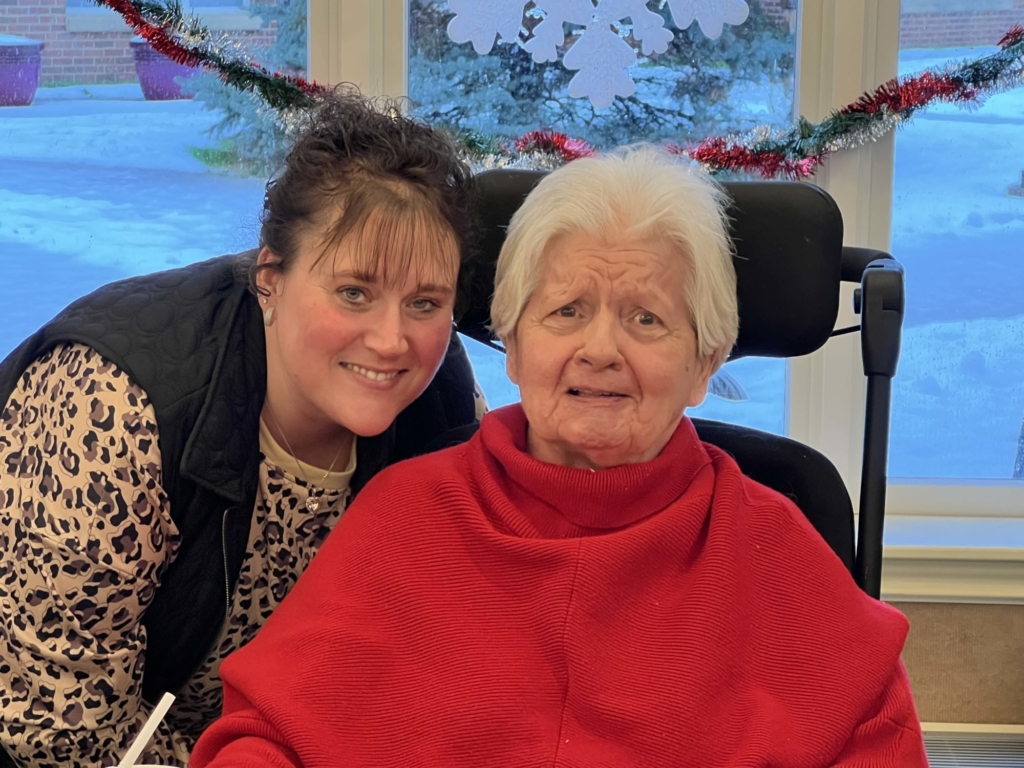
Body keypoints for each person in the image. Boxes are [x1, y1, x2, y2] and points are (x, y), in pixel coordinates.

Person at [192, 145, 929, 768]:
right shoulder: (405, 517)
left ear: (704, 363)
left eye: (646, 318)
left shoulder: (778, 548)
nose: (600, 349)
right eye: (566, 311)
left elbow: (877, 743)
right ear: (513, 345)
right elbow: (262, 739)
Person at [0, 92, 485, 767]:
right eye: (354, 292)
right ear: (270, 279)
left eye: (425, 302)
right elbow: (58, 732)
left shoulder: (443, 401)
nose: (391, 339)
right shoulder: (112, 407)